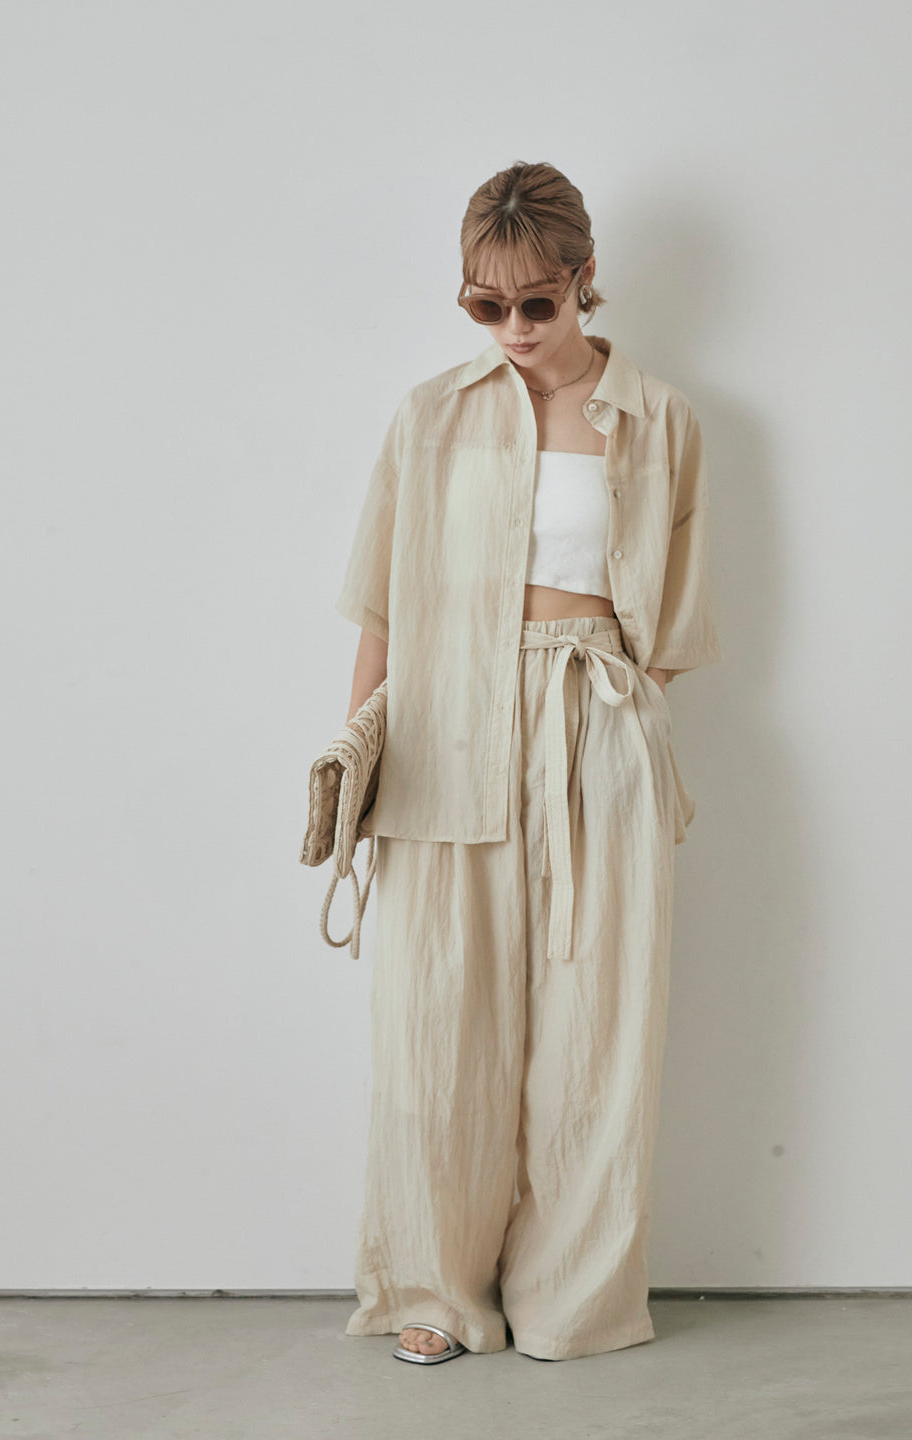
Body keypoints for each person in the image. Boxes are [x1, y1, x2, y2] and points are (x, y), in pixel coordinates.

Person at [333, 161, 723, 1364]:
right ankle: (438, 1291)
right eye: (484, 304)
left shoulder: (659, 419)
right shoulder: (429, 415)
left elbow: (675, 620)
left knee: (598, 1022)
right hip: (446, 721)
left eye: (536, 304)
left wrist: (620, 730)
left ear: (584, 280)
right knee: (441, 1014)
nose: (511, 328)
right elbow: (382, 608)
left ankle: (572, 1299)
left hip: (595, 718)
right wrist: (356, 756)